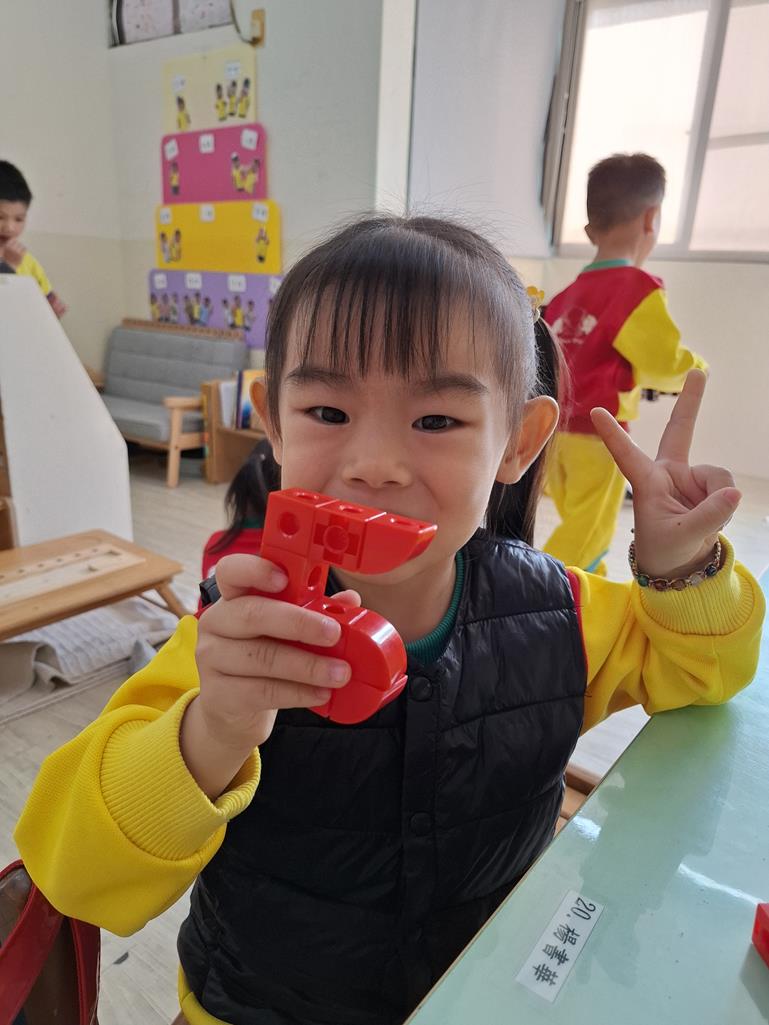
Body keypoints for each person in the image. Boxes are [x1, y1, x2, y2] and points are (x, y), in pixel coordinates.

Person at [14, 216, 763, 1025]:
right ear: (273, 422)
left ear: (516, 442)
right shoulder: (231, 642)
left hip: (481, 1000)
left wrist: (682, 567)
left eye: (435, 420)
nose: (373, 464)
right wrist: (210, 732)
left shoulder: (564, 614)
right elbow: (73, 872)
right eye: (327, 411)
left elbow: (705, 673)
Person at [543, 153, 707, 574]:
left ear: (589, 230)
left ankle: (590, 586)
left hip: (553, 432)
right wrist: (698, 368)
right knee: (590, 529)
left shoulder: (564, 297)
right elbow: (664, 363)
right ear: (651, 219)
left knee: (578, 518)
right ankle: (539, 588)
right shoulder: (636, 288)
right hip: (601, 436)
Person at [0, 160, 66, 317]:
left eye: (19, 219)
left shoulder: (27, 261)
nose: (10, 228)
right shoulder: (14, 261)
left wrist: (51, 310)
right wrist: (8, 267)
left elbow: (41, 306)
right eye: (0, 217)